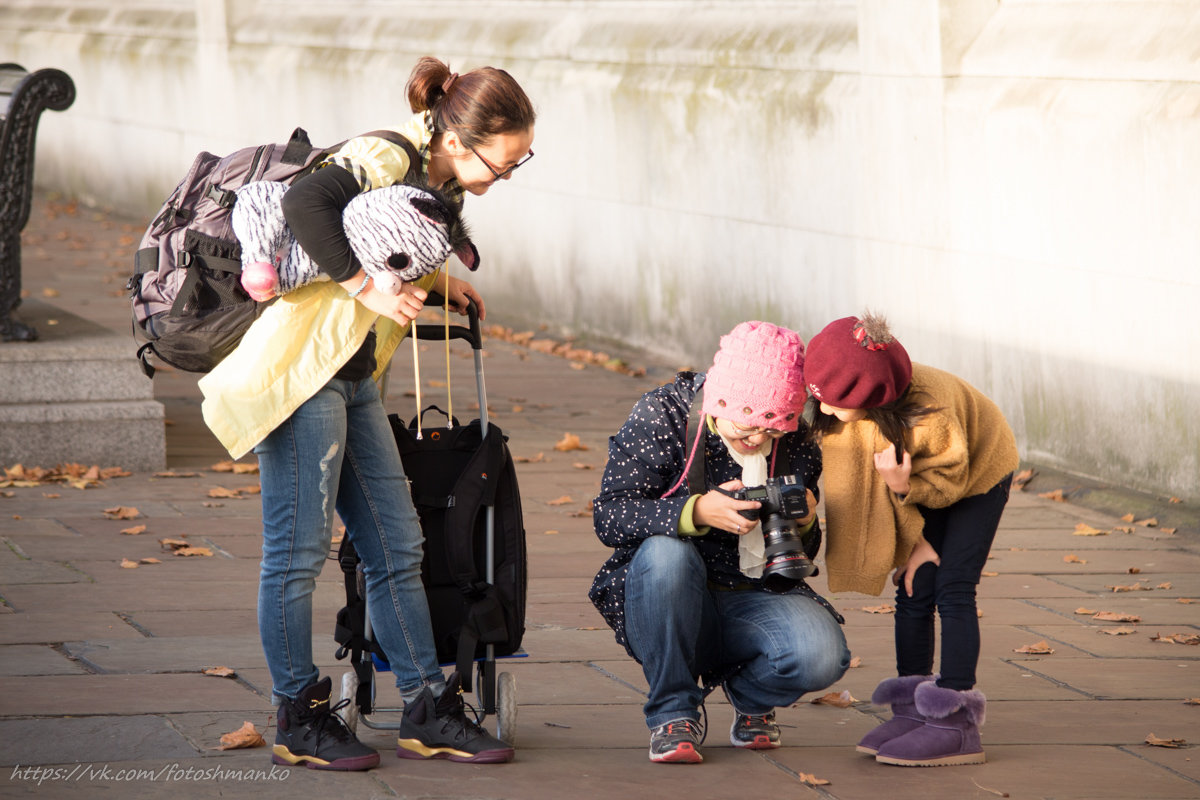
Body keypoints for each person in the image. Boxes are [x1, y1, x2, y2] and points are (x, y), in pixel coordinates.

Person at [198, 56, 536, 770]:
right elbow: (307, 206)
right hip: (301, 376)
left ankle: (425, 707)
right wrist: (365, 288)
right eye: (502, 166)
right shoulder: (387, 153)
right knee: (295, 557)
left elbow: (378, 235)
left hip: (351, 381)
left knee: (398, 546)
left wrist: (436, 280)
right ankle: (298, 714)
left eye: (516, 165)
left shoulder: (430, 173)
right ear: (459, 140)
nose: (503, 179)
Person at [589, 321, 851, 764]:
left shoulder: (795, 441)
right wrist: (695, 513)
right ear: (719, 398)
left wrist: (804, 521)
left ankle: (749, 694)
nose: (757, 440)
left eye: (771, 430)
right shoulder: (665, 415)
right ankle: (673, 711)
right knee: (666, 553)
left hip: (753, 593)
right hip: (664, 596)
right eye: (746, 425)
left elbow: (799, 556)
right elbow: (610, 515)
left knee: (822, 656)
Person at [803, 311, 1019, 768]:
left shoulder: (931, 413)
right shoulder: (857, 412)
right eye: (819, 397)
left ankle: (956, 721)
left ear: (871, 397)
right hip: (915, 477)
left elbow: (950, 484)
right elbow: (862, 482)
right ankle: (912, 709)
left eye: (836, 402)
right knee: (913, 584)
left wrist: (904, 489)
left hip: (975, 475)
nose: (823, 410)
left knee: (953, 586)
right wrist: (911, 540)